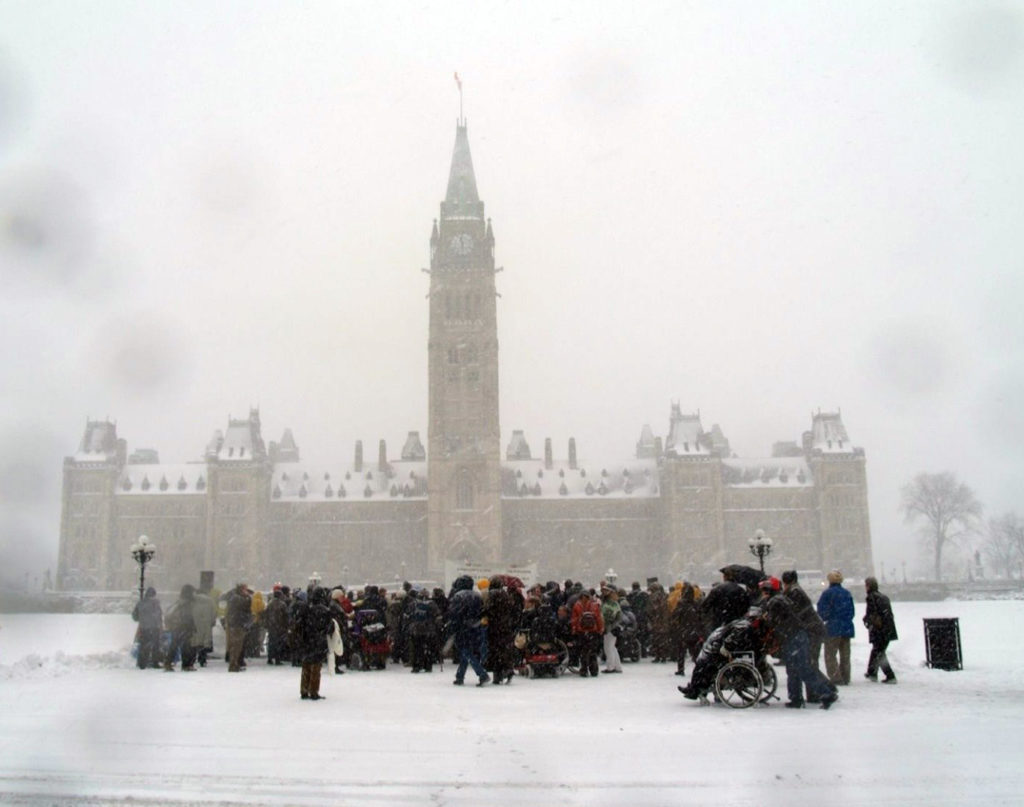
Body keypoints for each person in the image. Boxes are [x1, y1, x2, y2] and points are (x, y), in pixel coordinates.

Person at [760, 577, 838, 709]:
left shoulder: (775, 602)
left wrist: (765, 619)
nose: (762, 593)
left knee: (802, 668)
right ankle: (796, 698)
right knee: (794, 669)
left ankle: (826, 693)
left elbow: (774, 622)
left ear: (768, 590)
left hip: (793, 638)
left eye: (763, 590)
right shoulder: (779, 599)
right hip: (796, 636)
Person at [782, 570, 827, 701]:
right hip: (813, 630)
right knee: (809, 663)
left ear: (786, 582)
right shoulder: (795, 591)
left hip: (812, 631)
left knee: (809, 664)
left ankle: (820, 692)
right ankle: (817, 692)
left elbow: (794, 613)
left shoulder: (794, 593)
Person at [447, 575, 489, 686]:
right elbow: (482, 611)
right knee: (467, 651)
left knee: (465, 651)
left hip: (462, 628)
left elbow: (453, 614)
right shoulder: (477, 596)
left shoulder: (458, 596)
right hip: (476, 627)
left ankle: (482, 674)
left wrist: (452, 626)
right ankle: (459, 676)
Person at [292, 586, 333, 699]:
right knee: (316, 666)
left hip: (307, 640)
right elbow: (330, 628)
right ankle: (314, 691)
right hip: (318, 641)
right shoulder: (325, 610)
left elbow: (300, 624)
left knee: (306, 664)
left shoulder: (306, 609)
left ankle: (304, 690)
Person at [816, 569, 855, 686]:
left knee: (830, 655)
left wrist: (828, 618)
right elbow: (852, 611)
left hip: (833, 628)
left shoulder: (827, 593)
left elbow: (821, 610)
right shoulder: (847, 593)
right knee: (845, 655)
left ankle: (836, 678)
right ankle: (846, 676)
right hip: (847, 628)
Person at [864, 577, 898, 683]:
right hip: (888, 629)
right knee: (878, 651)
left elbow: (872, 614)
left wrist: (866, 620)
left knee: (879, 653)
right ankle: (872, 673)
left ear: (868, 586)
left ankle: (890, 676)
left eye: (866, 585)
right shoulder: (883, 597)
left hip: (879, 629)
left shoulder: (871, 597)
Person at [163, 585, 197, 671]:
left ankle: (167, 663)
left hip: (176, 627)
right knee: (186, 647)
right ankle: (186, 665)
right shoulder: (187, 604)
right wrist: (192, 626)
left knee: (174, 645)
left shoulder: (179, 602)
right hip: (184, 627)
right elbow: (188, 617)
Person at [571, 589, 604, 677]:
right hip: (593, 631)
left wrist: (574, 628)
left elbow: (574, 619)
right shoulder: (594, 605)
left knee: (583, 652)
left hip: (581, 631)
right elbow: (598, 618)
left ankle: (584, 670)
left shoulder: (577, 605)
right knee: (592, 652)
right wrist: (600, 628)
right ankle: (594, 670)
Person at [408, 589, 442, 673]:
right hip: (429, 629)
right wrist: (438, 626)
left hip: (416, 629)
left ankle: (417, 665)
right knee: (428, 648)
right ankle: (428, 665)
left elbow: (408, 615)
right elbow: (438, 616)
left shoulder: (414, 603)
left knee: (417, 648)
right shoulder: (432, 604)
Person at [131, 587, 162, 669]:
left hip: (144, 628)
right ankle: (155, 662)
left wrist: (142, 619)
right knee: (155, 646)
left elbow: (135, 616)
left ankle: (142, 663)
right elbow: (159, 615)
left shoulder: (140, 603)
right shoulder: (156, 603)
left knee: (143, 645)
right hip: (154, 628)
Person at [225, 583, 252, 672]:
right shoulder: (237, 599)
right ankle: (233, 664)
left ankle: (234, 663)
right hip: (237, 624)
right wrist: (248, 598)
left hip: (236, 623)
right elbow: (246, 606)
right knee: (236, 646)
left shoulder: (234, 598)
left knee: (236, 646)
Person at [191, 586, 217, 667]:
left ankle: (192, 658)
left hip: (195, 623)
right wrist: (212, 621)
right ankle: (202, 659)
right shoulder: (210, 601)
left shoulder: (193, 600)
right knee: (204, 641)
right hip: (206, 623)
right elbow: (214, 612)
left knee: (195, 641)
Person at [600, 587, 623, 673]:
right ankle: (617, 666)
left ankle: (611, 667)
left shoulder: (611, 603)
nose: (604, 592)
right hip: (611, 627)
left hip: (610, 628)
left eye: (606, 591)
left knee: (608, 647)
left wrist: (610, 625)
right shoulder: (612, 602)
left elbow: (613, 616)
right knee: (612, 647)